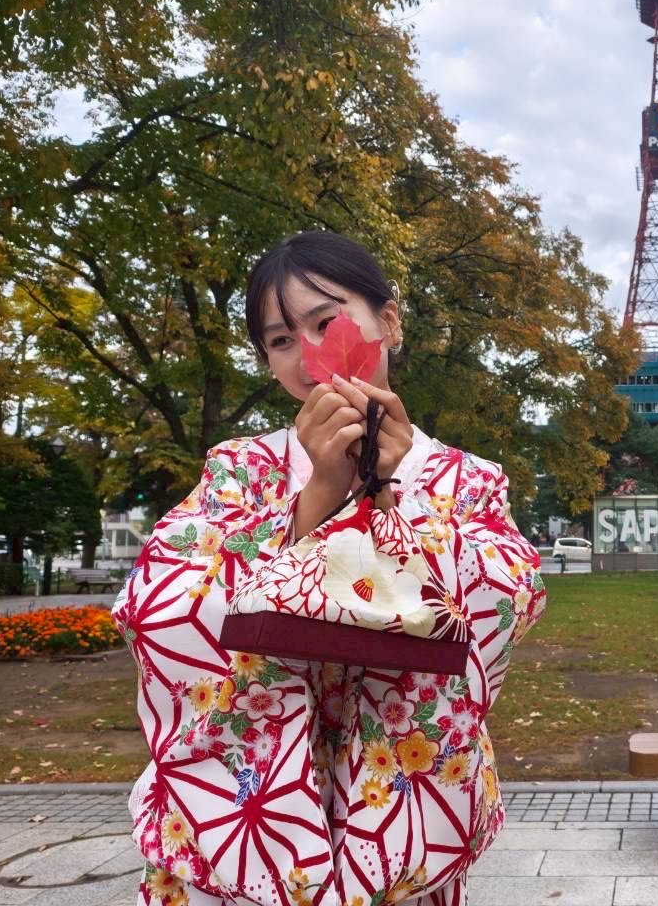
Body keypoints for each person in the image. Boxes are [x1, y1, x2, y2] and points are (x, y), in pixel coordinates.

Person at [112, 231, 544, 906]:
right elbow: (159, 604)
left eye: (325, 322)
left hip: (401, 798)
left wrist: (393, 501)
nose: (310, 355)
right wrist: (316, 499)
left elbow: (503, 608)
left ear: (389, 321)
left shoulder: (468, 480)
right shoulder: (239, 470)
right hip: (248, 806)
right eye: (281, 340)